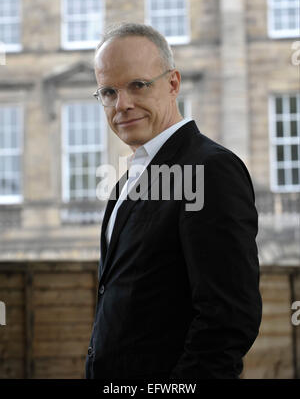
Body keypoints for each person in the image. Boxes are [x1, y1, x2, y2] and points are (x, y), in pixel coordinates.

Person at [85, 23, 262, 379]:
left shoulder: (210, 168)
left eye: (138, 84)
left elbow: (228, 319)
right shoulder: (127, 180)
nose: (122, 104)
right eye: (108, 91)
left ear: (173, 84)